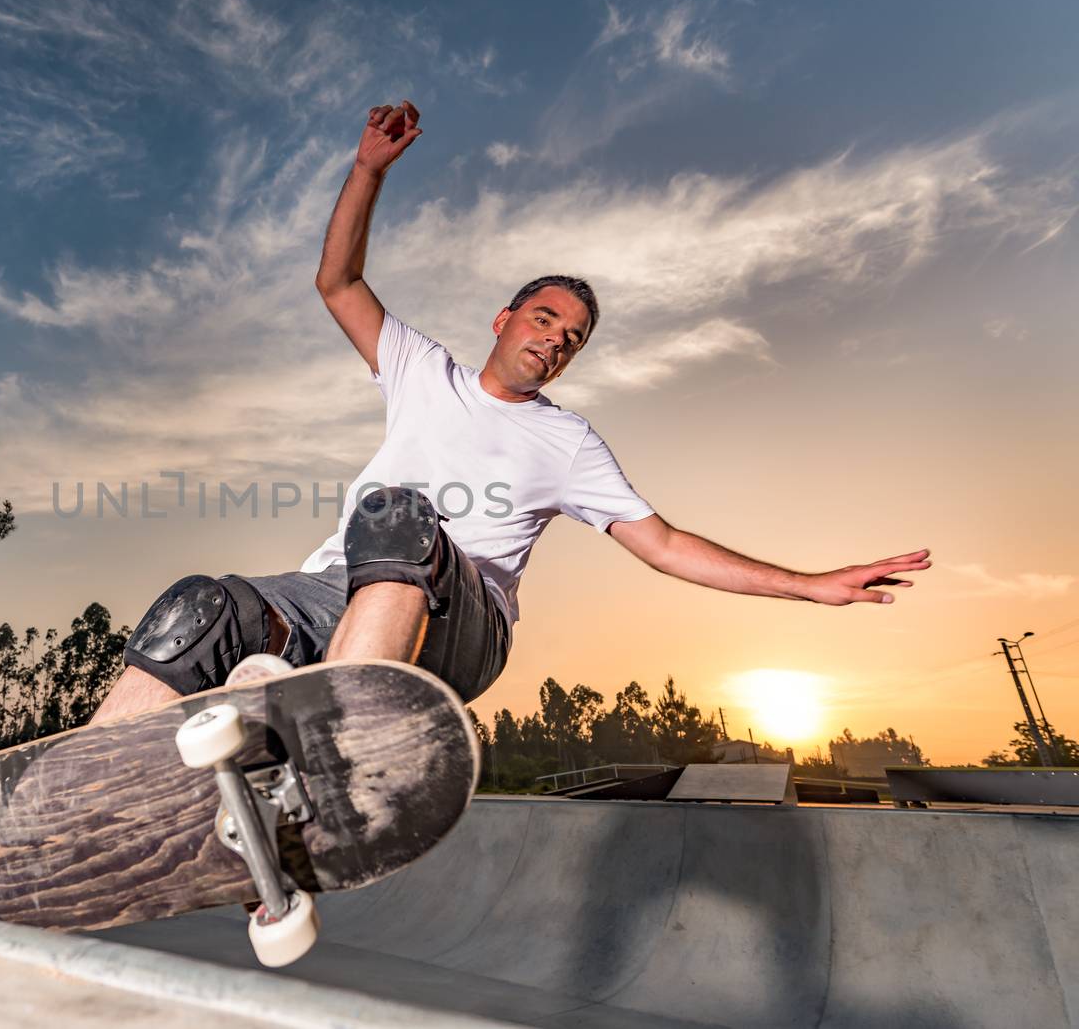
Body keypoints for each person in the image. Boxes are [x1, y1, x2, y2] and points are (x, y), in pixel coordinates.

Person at [89, 100, 930, 724]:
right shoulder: (422, 370)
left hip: (460, 626)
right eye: (544, 319)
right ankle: (67, 805)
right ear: (504, 319)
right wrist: (368, 173)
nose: (557, 342)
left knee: (392, 518)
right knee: (202, 610)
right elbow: (337, 283)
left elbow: (665, 546)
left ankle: (333, 744)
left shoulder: (565, 441)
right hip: (332, 598)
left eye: (573, 338)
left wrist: (809, 586)